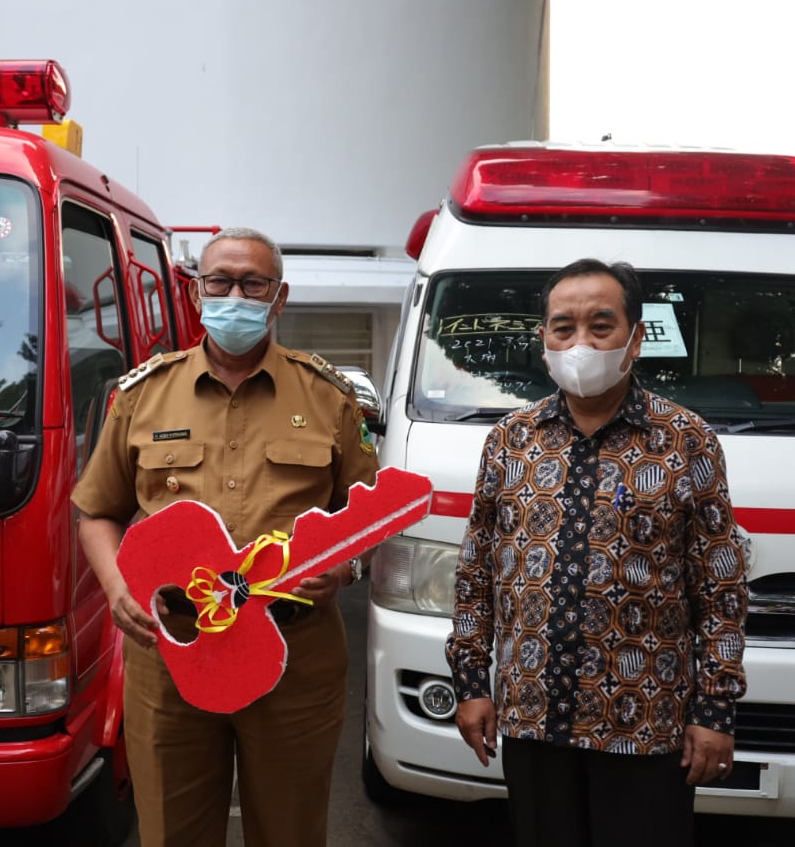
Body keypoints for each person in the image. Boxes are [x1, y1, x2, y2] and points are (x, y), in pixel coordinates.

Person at [73, 227, 379, 847]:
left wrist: (344, 568)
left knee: (290, 832)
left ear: (279, 297)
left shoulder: (329, 398)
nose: (234, 294)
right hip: (172, 653)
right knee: (172, 832)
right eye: (220, 281)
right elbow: (96, 511)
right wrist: (116, 588)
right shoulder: (143, 396)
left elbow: (363, 517)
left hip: (296, 655)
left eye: (252, 283)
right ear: (195, 293)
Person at [445, 258, 747, 847]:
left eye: (600, 325)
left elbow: (721, 589)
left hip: (643, 723)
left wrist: (715, 711)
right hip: (532, 717)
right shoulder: (510, 439)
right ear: (544, 340)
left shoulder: (686, 440)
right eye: (563, 327)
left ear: (636, 337)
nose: (580, 342)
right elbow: (477, 570)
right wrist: (471, 681)